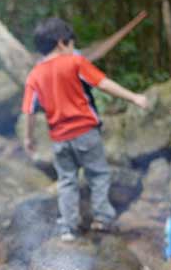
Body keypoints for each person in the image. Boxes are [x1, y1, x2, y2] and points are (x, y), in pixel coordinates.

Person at [22, 17, 150, 241]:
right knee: (98, 174)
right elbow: (103, 84)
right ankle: (101, 218)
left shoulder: (34, 75)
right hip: (85, 132)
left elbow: (29, 111)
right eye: (72, 43)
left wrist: (28, 138)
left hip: (59, 138)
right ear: (63, 43)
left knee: (67, 181)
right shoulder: (74, 62)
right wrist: (134, 97)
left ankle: (69, 227)